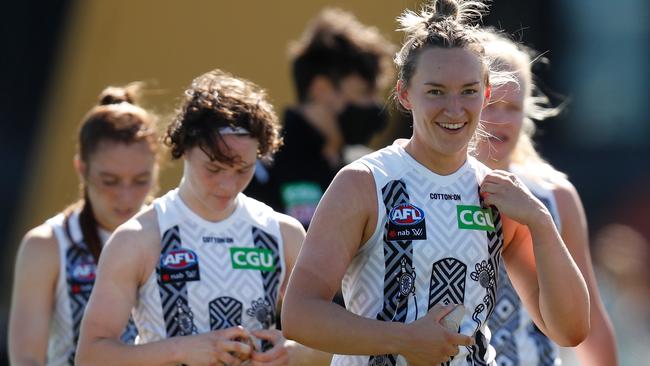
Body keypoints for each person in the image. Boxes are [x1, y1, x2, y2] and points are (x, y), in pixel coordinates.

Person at [281, 1, 590, 365]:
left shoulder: (498, 194)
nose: (455, 109)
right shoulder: (364, 182)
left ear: (487, 94)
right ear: (404, 95)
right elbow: (299, 315)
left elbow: (569, 329)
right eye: (436, 91)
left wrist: (539, 220)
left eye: (469, 91)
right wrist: (405, 340)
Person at [75, 69, 331, 365]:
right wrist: (181, 350)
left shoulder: (283, 233)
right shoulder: (138, 238)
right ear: (184, 148)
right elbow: (91, 355)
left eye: (243, 170)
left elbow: (334, 342)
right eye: (214, 169)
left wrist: (296, 352)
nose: (228, 185)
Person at [473, 29, 618, 365]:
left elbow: (589, 319)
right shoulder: (423, 188)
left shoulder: (554, 195)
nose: (501, 119)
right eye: (490, 103)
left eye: (513, 106)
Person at [8, 85, 159, 365]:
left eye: (140, 180)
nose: (126, 196)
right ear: (82, 169)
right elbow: (27, 358)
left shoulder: (176, 235)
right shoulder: (48, 244)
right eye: (110, 181)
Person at [245, 8, 395, 228]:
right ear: (321, 89)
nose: (375, 106)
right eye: (364, 93)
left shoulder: (371, 169)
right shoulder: (260, 168)